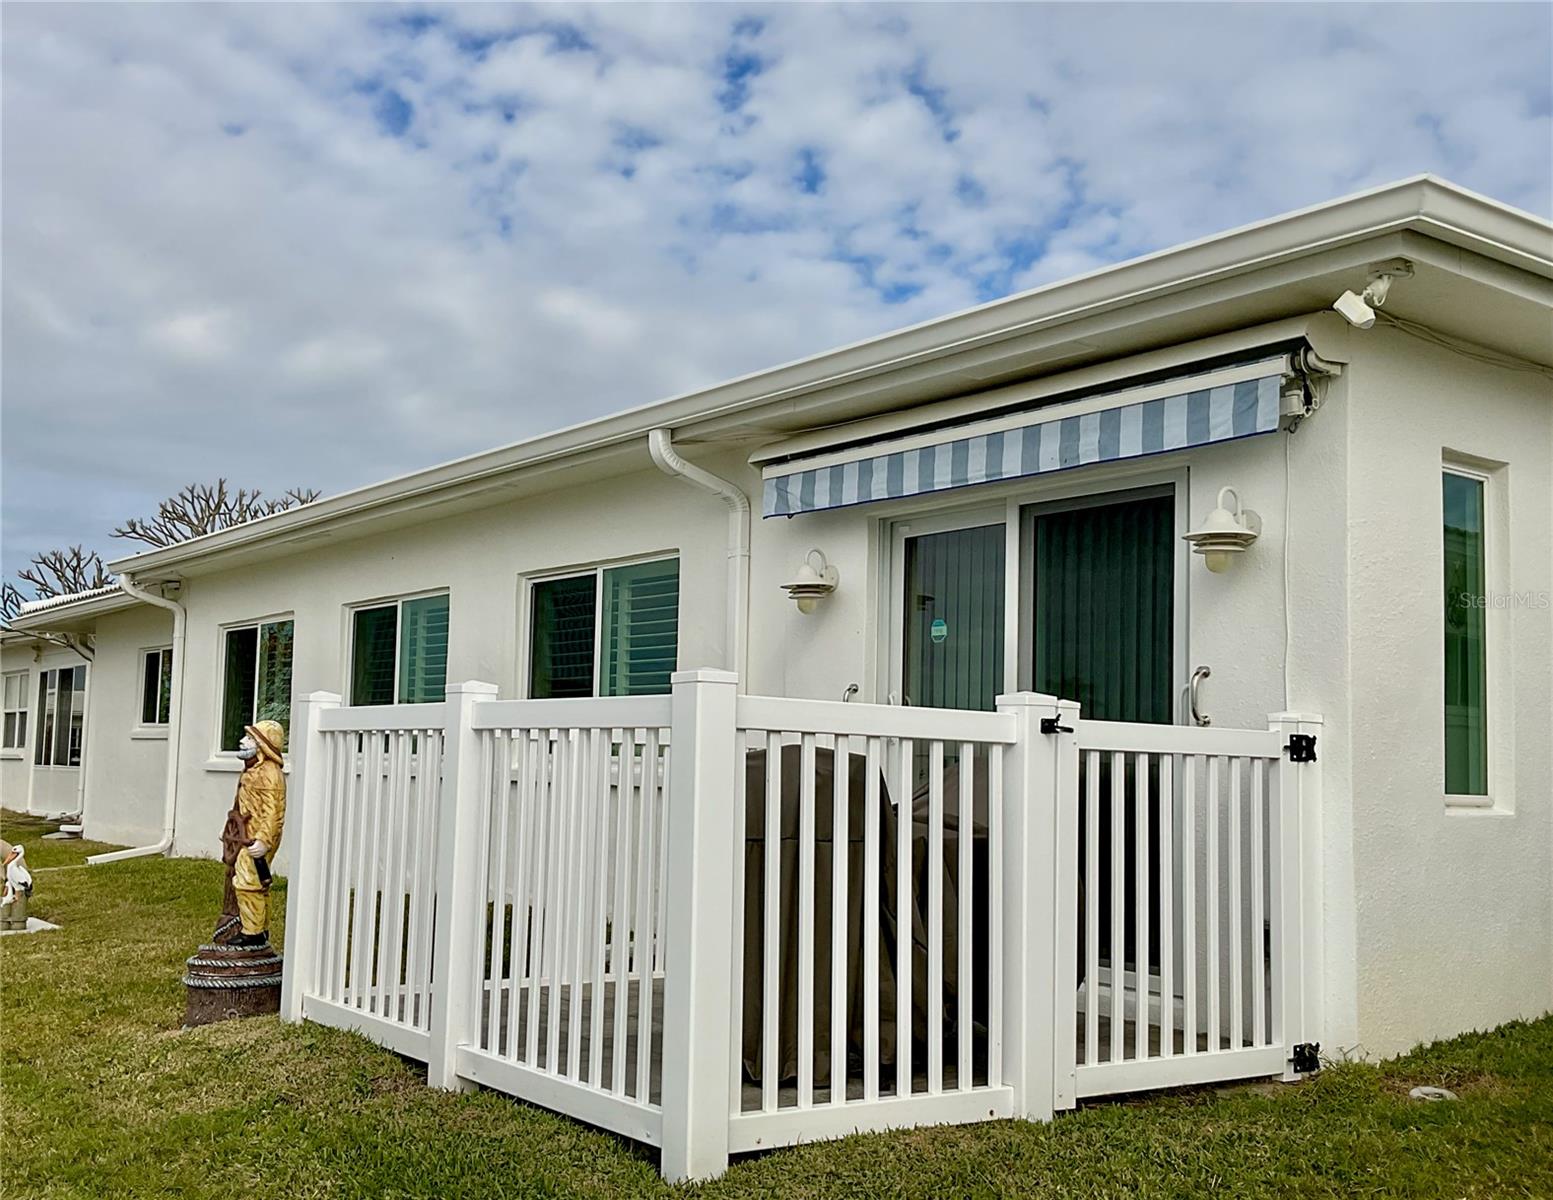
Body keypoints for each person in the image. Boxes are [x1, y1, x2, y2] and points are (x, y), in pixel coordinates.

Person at [214, 719, 286, 948]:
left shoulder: (269, 774)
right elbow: (240, 805)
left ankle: (252, 932)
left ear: (263, 745)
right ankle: (260, 929)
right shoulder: (251, 770)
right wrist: (230, 831)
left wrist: (264, 841)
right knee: (256, 881)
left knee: (247, 881)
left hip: (258, 838)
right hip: (244, 834)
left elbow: (273, 812)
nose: (242, 741)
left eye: (250, 738)